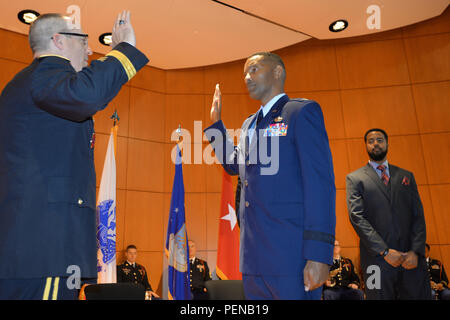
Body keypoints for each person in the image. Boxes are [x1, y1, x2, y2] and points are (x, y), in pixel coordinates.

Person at [0, 11, 148, 299]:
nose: (90, 50)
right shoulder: (45, 74)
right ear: (58, 41)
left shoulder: (28, 82)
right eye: (84, 41)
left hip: (34, 248)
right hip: (48, 247)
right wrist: (122, 51)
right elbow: (86, 96)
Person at [204, 52, 336, 299]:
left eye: (253, 69)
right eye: (244, 72)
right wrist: (216, 125)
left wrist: (319, 254)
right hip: (253, 259)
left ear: (277, 72)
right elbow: (235, 165)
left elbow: (321, 187)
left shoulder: (300, 112)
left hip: (291, 256)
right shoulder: (248, 124)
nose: (246, 77)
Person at [346, 128, 431, 299]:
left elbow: (418, 216)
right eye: (371, 141)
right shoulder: (354, 179)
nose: (375, 143)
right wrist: (384, 251)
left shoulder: (407, 176)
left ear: (387, 144)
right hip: (375, 262)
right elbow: (357, 217)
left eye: (380, 139)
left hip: (411, 261)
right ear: (365, 146)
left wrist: (416, 251)